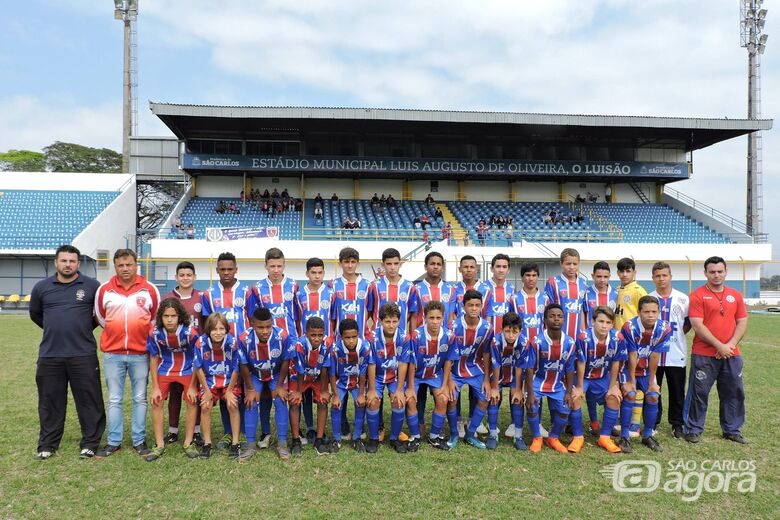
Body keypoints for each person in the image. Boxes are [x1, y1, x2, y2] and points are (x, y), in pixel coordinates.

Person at [29, 244, 104, 460]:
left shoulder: (92, 286)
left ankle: (90, 443)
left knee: (89, 401)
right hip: (50, 355)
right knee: (50, 401)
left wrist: (79, 330)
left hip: (83, 354)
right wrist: (56, 329)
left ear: (78, 263)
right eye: (64, 260)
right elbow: (36, 315)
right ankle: (47, 444)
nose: (68, 264)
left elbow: (98, 315)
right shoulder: (42, 287)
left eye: (72, 261)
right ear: (56, 263)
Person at [94, 248, 160, 458]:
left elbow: (154, 318)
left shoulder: (149, 289)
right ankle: (114, 441)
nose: (125, 269)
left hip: (140, 354)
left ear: (136, 265)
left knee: (140, 398)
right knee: (114, 399)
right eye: (120, 265)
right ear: (115, 266)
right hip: (113, 354)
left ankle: (139, 440)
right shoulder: (104, 290)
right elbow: (101, 318)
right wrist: (117, 335)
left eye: (129, 264)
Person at [684, 256, 748, 444]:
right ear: (705, 273)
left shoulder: (735, 295)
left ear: (726, 272)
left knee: (733, 392)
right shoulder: (696, 296)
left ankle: (732, 429)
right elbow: (697, 325)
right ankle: (694, 429)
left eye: (720, 271)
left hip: (732, 354)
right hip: (704, 354)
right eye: (712, 272)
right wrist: (719, 346)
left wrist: (730, 345)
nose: (716, 275)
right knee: (699, 392)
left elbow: (742, 321)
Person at [201, 252, 249, 449]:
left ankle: (244, 431)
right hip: (219, 353)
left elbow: (253, 319)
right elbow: (207, 323)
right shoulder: (209, 294)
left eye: (230, 269)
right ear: (217, 270)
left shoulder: (247, 291)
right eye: (223, 269)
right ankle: (229, 432)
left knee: (244, 390)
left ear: (236, 269)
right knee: (223, 389)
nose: (226, 272)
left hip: (243, 350)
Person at [144, 298, 200, 461]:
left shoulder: (190, 332)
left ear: (179, 317)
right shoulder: (155, 332)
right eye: (166, 316)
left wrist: (193, 386)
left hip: (188, 369)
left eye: (173, 316)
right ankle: (159, 444)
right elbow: (153, 358)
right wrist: (155, 387)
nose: (169, 320)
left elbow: (198, 357)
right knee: (157, 401)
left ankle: (189, 442)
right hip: (165, 369)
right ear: (160, 317)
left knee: (191, 400)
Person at [238, 307, 295, 462]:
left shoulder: (282, 336)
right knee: (250, 402)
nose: (265, 331)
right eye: (260, 327)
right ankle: (250, 445)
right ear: (252, 325)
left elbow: (285, 361)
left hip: (276, 374)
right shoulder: (244, 339)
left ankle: (282, 444)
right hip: (254, 375)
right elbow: (243, 365)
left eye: (268, 326)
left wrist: (280, 386)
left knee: (280, 400)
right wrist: (250, 389)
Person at [617, 296, 671, 453]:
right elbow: (632, 354)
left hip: (647, 370)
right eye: (646, 311)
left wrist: (652, 381)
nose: (650, 315)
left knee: (653, 395)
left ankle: (647, 435)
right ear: (639, 312)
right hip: (627, 369)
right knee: (630, 394)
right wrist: (631, 380)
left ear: (659, 312)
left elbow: (655, 355)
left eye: (654, 311)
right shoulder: (629, 327)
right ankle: (625, 436)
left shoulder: (664, 328)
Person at [523, 304, 577, 453]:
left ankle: (553, 437)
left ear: (564, 320)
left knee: (565, 409)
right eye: (552, 316)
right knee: (532, 406)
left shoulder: (570, 343)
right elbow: (529, 368)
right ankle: (537, 437)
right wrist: (530, 392)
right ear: (545, 320)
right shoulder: (536, 341)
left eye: (559, 316)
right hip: (538, 381)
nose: (556, 319)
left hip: (557, 383)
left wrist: (568, 392)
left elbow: (570, 368)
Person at [444, 289, 494, 450]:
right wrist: (449, 380)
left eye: (477, 305)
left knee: (485, 398)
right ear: (463, 306)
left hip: (475, 368)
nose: (473, 308)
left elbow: (486, 353)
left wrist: (487, 379)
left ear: (481, 307)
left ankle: (471, 434)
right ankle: (453, 433)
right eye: (470, 305)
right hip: (455, 370)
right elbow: (447, 354)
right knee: (451, 399)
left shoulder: (487, 328)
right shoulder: (453, 326)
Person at [571, 306, 624, 453]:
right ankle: (578, 437)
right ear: (592, 321)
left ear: (612, 324)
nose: (604, 325)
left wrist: (613, 386)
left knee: (614, 397)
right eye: (600, 321)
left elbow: (615, 362)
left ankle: (605, 437)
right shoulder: (583, 338)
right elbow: (581, 363)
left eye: (608, 322)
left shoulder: (617, 338)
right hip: (584, 376)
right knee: (575, 397)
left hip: (602, 376)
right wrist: (580, 387)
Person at [162, 261, 204, 446]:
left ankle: (195, 431)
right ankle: (173, 431)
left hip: (195, 355)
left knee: (195, 394)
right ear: (176, 277)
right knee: (175, 393)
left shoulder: (202, 298)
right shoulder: (168, 299)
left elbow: (207, 323)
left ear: (194, 277)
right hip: (173, 355)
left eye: (189, 275)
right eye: (182, 275)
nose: (185, 278)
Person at [405, 301, 455, 450]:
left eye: (438, 318)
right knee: (411, 399)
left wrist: (445, 385)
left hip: (435, 374)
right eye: (431, 318)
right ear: (425, 317)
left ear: (443, 318)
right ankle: (415, 437)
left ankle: (434, 436)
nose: (434, 322)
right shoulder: (415, 336)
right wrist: (411, 388)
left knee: (443, 398)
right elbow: (411, 364)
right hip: (417, 375)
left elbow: (448, 362)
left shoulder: (449, 336)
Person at [191, 313, 241, 459]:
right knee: (205, 405)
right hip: (210, 381)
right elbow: (198, 367)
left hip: (227, 381)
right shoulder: (200, 343)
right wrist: (206, 391)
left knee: (232, 404)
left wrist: (230, 390)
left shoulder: (232, 343)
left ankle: (235, 442)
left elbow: (236, 368)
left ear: (226, 330)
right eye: (214, 329)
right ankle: (207, 443)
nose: (218, 333)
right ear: (208, 330)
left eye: (221, 329)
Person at [649, 262, 690, 439]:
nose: (661, 279)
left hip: (676, 354)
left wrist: (676, 336)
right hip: (653, 355)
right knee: (652, 389)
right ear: (653, 278)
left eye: (664, 275)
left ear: (670, 276)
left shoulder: (683, 299)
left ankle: (677, 424)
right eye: (657, 276)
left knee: (677, 391)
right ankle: (652, 422)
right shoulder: (648, 298)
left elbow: (688, 323)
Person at [367, 303, 416, 453]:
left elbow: (403, 364)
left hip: (395, 377)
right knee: (373, 401)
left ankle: (394, 438)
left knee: (399, 401)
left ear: (399, 321)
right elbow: (372, 364)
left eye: (395, 321)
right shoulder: (372, 337)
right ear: (380, 322)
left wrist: (400, 390)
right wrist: (372, 390)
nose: (391, 325)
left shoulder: (404, 337)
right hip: (377, 376)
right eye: (387, 321)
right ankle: (374, 438)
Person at [288, 317, 333, 455]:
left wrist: (325, 390)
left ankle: (319, 440)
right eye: (313, 335)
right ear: (306, 333)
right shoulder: (300, 345)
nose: (317, 339)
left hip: (317, 376)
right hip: (298, 376)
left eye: (320, 335)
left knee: (323, 400)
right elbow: (300, 370)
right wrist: (298, 392)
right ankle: (296, 440)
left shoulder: (328, 343)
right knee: (294, 402)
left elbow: (325, 367)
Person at [328, 319, 373, 453]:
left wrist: (360, 394)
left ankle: (357, 438)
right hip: (340, 383)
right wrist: (335, 395)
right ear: (341, 337)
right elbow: (331, 373)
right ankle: (336, 439)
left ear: (358, 335)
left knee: (360, 404)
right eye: (347, 338)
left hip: (357, 383)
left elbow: (364, 372)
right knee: (336, 406)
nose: (351, 341)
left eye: (354, 337)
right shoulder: (335, 349)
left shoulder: (365, 347)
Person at [487, 312, 523, 450]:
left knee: (517, 399)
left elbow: (520, 367)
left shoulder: (523, 342)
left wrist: (518, 389)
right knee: (494, 398)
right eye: (507, 331)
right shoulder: (496, 341)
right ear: (502, 330)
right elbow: (495, 364)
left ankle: (518, 436)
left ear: (520, 331)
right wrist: (495, 387)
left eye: (515, 332)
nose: (511, 335)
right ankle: (492, 434)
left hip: (514, 375)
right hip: (498, 375)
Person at [615, 257, 647, 330]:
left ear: (634, 272)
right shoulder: (616, 291)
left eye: (628, 271)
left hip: (633, 335)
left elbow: (646, 315)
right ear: (618, 273)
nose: (625, 274)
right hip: (617, 335)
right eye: (622, 271)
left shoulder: (639, 291)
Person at [585, 261, 618, 328]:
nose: (602, 280)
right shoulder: (586, 294)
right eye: (599, 276)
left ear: (609, 276)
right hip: (591, 335)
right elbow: (583, 316)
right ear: (592, 276)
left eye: (605, 277)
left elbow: (616, 317)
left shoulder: (616, 294)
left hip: (609, 335)